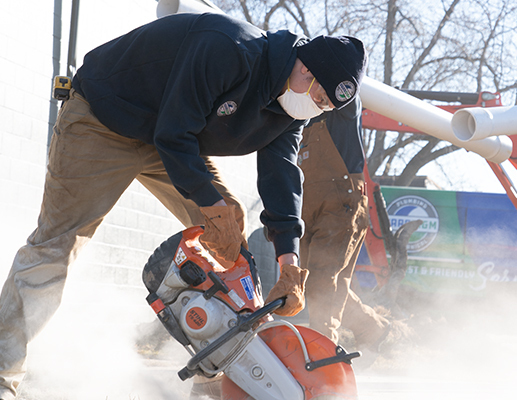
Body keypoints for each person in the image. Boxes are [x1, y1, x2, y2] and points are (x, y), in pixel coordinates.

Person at [0, 12, 367, 399]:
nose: (317, 109)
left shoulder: (291, 109)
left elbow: (281, 174)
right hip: (105, 120)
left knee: (229, 248)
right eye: (319, 97)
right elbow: (173, 135)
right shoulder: (230, 49)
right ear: (306, 69)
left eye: (326, 107)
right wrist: (211, 205)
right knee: (56, 246)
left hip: (172, 139)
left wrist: (289, 262)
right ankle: (3, 370)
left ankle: (217, 376)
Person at [298, 98, 391, 349]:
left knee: (321, 279)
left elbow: (343, 80)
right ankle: (370, 327)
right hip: (309, 208)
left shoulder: (343, 107)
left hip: (340, 206)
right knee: (311, 281)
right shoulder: (301, 117)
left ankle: (324, 351)